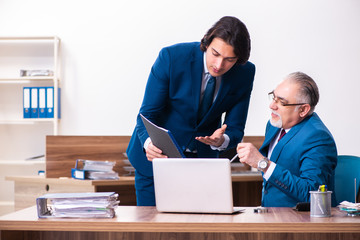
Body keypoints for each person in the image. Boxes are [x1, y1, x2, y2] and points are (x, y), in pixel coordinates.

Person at [127, 16, 256, 206]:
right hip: (156, 160)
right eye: (215, 54)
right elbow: (146, 115)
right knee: (151, 227)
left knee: (196, 229)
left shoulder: (245, 73)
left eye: (229, 60)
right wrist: (149, 145)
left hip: (202, 165)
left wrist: (222, 140)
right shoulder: (172, 58)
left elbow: (236, 128)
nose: (219, 65)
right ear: (206, 42)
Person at [236, 72, 337, 207]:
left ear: (303, 110)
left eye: (282, 102)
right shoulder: (274, 124)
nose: (272, 106)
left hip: (299, 221)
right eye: (273, 97)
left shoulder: (318, 138)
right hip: (270, 214)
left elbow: (311, 194)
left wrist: (263, 163)